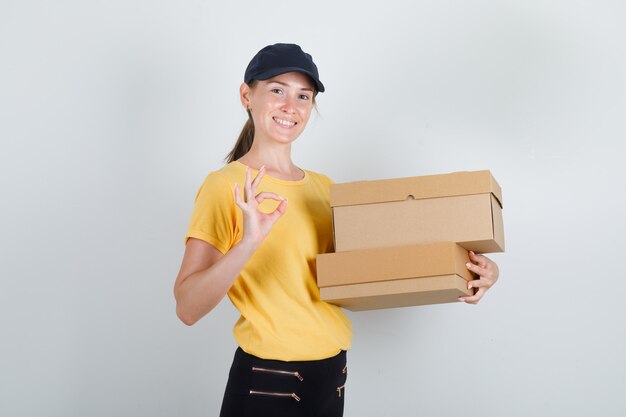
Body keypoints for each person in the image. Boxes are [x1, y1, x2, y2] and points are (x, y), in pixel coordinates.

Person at [173, 43, 500, 417]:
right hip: (269, 380)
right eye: (277, 90)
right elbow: (187, 307)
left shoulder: (325, 190)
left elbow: (380, 267)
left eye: (303, 96)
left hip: (332, 374)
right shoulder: (226, 186)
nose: (290, 107)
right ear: (247, 95)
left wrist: (473, 268)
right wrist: (248, 242)